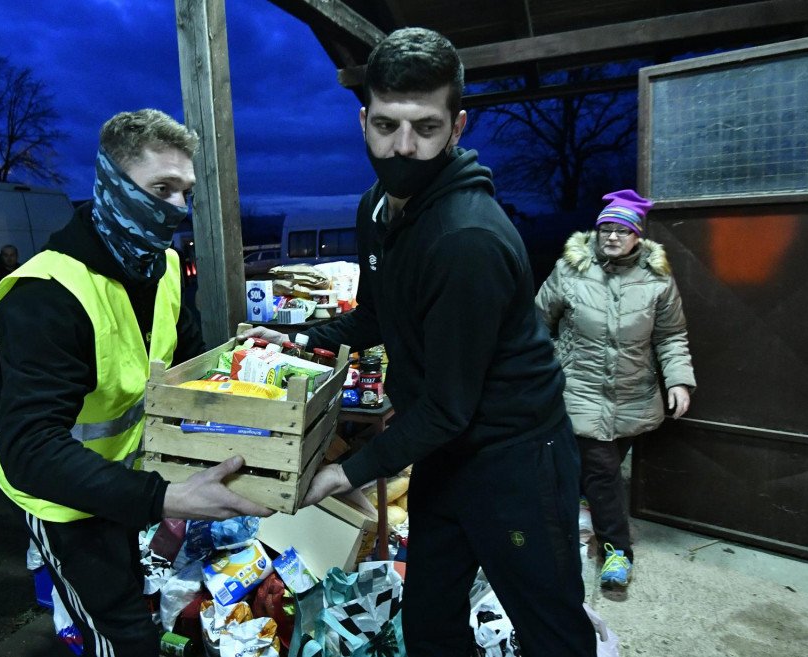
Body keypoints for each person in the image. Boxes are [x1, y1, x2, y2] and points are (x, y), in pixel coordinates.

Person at [246, 28, 595, 657]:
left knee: (552, 629)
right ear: (363, 120)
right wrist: (293, 339)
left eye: (426, 128)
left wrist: (343, 474)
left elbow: (448, 406)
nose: (403, 147)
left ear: (458, 126)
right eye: (386, 126)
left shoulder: (467, 241)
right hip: (447, 451)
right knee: (432, 619)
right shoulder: (378, 208)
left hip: (514, 457)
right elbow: (374, 319)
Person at [0, 109, 272, 656]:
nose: (176, 209)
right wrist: (164, 497)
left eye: (184, 192)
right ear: (110, 184)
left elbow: (188, 364)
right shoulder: (46, 291)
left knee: (137, 603)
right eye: (161, 189)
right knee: (119, 636)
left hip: (128, 484)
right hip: (64, 502)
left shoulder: (163, 267)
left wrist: (245, 358)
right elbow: (27, 447)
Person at [536, 189, 695, 590]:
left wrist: (678, 380)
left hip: (631, 393)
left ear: (637, 236)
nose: (611, 236)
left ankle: (573, 526)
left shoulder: (658, 282)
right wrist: (551, 365)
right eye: (605, 227)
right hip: (579, 390)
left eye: (621, 230)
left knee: (592, 473)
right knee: (603, 471)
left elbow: (671, 336)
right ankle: (617, 552)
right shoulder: (569, 270)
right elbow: (537, 323)